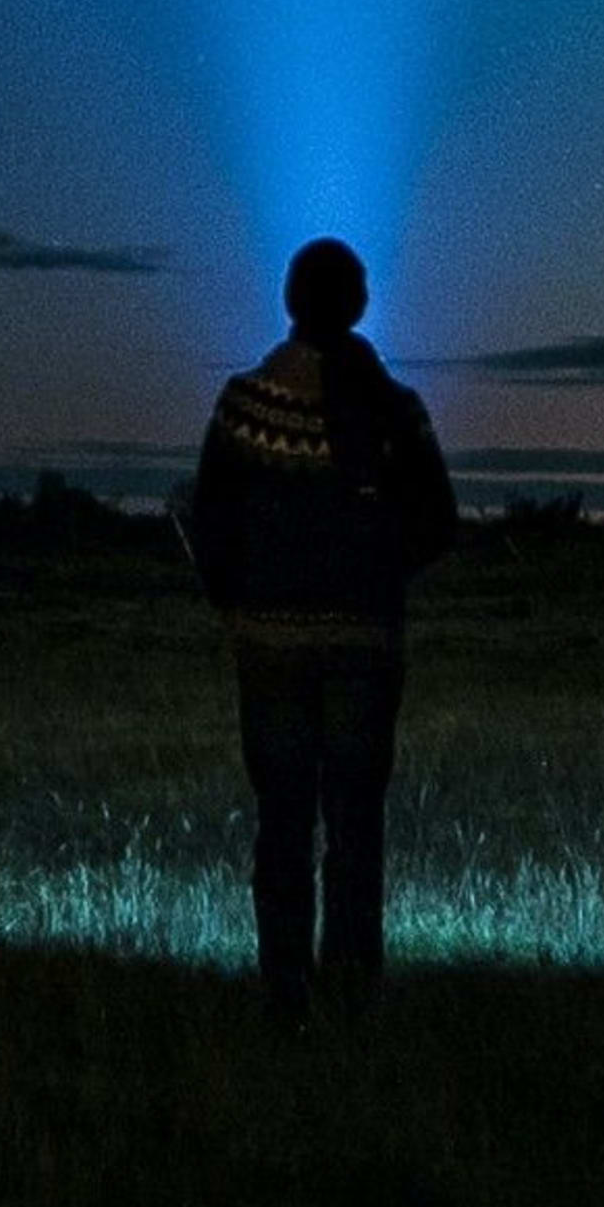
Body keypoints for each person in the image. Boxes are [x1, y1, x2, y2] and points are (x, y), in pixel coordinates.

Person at [186, 235, 458, 1018]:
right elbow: (438, 523)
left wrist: (244, 604)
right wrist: (371, 574)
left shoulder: (243, 406)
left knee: (283, 818)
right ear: (360, 304)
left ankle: (285, 990)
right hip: (366, 648)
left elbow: (211, 523)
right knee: (355, 822)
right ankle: (351, 986)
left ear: (290, 301)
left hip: (268, 647)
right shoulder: (396, 412)